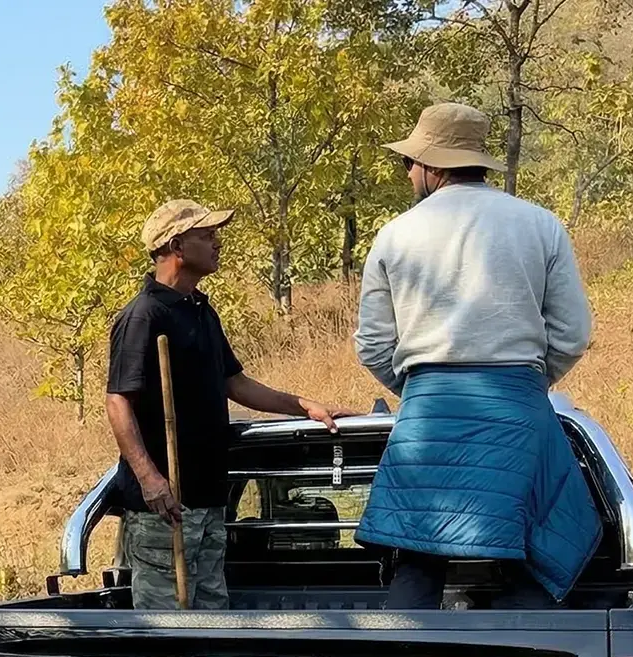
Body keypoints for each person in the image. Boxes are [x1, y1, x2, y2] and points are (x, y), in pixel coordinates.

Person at [352, 102, 597, 609]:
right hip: (516, 408)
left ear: (434, 167)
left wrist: (421, 390)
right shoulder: (540, 224)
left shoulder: (395, 235)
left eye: (410, 163)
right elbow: (572, 333)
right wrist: (523, 385)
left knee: (417, 559)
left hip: (426, 415)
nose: (408, 173)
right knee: (530, 552)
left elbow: (374, 344)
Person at [106, 199, 345, 610]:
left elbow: (234, 383)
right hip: (165, 506)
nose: (217, 243)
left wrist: (305, 406)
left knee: (211, 613)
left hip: (207, 497)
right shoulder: (144, 316)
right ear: (178, 246)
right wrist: (149, 478)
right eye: (207, 235)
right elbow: (117, 401)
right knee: (168, 627)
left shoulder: (201, 310)